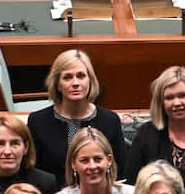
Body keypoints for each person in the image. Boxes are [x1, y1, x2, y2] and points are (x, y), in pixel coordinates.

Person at [25, 49, 127, 179]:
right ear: (57, 84)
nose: (75, 83)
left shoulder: (110, 120)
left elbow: (120, 171)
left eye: (81, 76)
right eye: (67, 77)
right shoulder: (37, 122)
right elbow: (32, 173)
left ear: (90, 80)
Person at [123, 66, 185, 187]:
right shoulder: (146, 136)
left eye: (183, 95)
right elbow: (131, 186)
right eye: (169, 98)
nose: (177, 103)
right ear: (160, 102)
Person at [0, 115, 60, 194]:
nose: (7, 151)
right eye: (0, 144)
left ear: (26, 147)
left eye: (14, 143)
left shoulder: (45, 182)